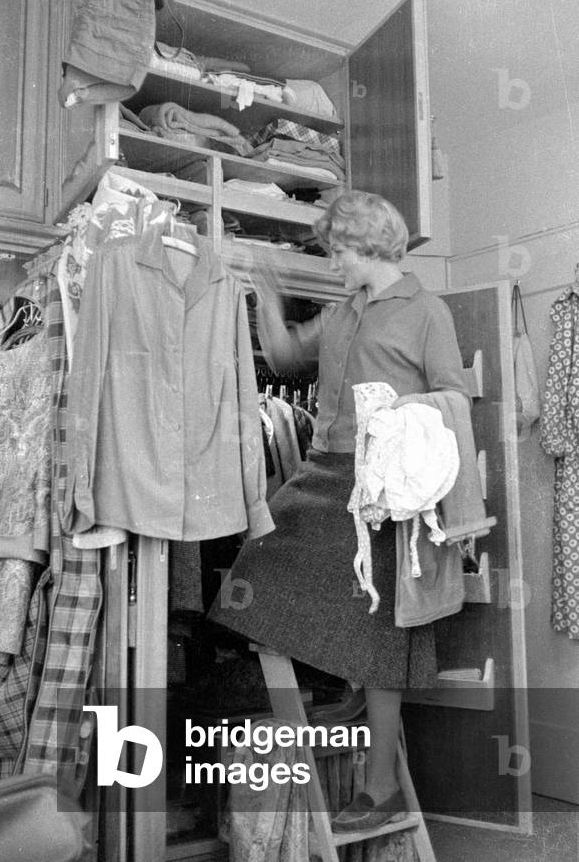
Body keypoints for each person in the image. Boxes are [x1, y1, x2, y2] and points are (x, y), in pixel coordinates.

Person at [208, 190, 470, 831]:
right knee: (256, 572)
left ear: (371, 244)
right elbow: (284, 357)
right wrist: (264, 296)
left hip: (382, 488)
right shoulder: (342, 311)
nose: (336, 264)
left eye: (341, 251)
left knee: (383, 633)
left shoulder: (425, 310)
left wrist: (400, 415)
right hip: (322, 473)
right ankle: (349, 688)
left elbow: (455, 397)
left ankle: (380, 786)